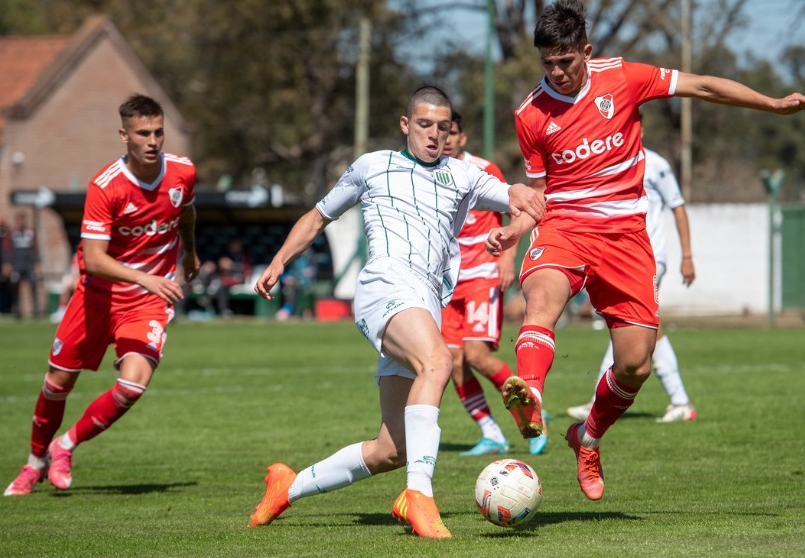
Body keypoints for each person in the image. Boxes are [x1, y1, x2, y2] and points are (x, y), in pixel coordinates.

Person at [485, 0, 805, 501]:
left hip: (625, 238)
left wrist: (772, 104)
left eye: (566, 61)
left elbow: (703, 86)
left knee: (636, 363)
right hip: (565, 228)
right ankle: (529, 394)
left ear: (587, 51)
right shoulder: (531, 114)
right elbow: (537, 195)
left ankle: (588, 437)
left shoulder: (624, 77)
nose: (556, 72)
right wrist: (515, 232)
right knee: (542, 302)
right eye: (547, 63)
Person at [246, 86, 544, 538]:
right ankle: (418, 496)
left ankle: (288, 487)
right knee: (440, 360)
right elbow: (317, 216)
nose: (434, 135)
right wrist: (279, 260)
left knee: (392, 449)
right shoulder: (372, 166)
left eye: (443, 128)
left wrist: (520, 209)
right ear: (405, 124)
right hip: (383, 287)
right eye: (424, 125)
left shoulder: (463, 175)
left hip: (424, 303)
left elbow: (520, 199)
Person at [4, 94, 200, 496]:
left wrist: (191, 252)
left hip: (146, 302)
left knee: (133, 386)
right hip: (98, 298)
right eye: (143, 133)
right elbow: (92, 260)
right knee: (57, 384)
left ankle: (65, 446)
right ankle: (34, 461)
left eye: (158, 132)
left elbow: (188, 213)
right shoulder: (105, 186)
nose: (152, 141)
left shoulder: (183, 172)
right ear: (123, 134)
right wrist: (146, 278)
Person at [439, 111, 549, 457]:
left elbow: (518, 210)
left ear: (462, 137)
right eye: (441, 132)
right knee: (451, 362)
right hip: (448, 281)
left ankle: (532, 410)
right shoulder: (429, 174)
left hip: (482, 275)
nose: (446, 139)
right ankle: (491, 433)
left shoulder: (484, 169)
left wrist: (507, 257)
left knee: (476, 355)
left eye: (452, 132)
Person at [565, 147, 697, 424]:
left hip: (649, 258)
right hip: (620, 258)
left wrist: (686, 256)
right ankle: (679, 401)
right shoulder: (603, 155)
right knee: (635, 326)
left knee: (635, 325)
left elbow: (678, 206)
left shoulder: (656, 163)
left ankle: (677, 401)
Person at [4, 212, 42, 318]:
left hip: (29, 264)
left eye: (23, 220)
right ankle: (17, 310)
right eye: (19, 220)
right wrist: (7, 264)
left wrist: (37, 264)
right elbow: (7, 249)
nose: (21, 222)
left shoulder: (30, 233)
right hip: (16, 264)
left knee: (33, 285)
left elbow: (36, 249)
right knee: (15, 287)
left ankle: (36, 310)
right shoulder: (12, 234)